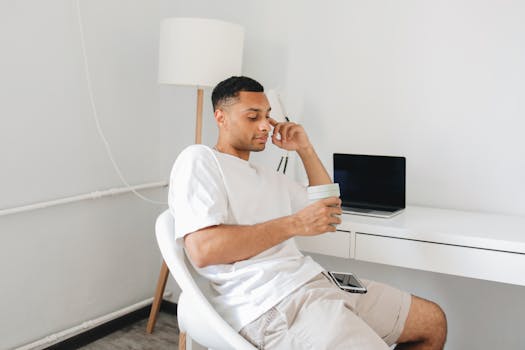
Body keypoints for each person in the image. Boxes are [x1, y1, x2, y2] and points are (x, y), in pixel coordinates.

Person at [169, 76, 447, 349]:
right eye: (253, 117)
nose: (265, 125)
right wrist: (294, 224)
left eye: (267, 115)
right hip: (272, 304)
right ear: (221, 117)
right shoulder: (200, 159)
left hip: (314, 280)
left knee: (432, 323)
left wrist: (305, 149)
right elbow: (204, 250)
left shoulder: (267, 176)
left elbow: (330, 210)